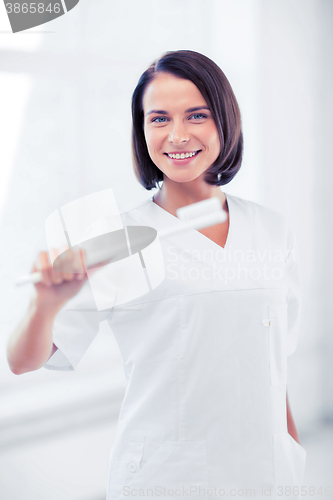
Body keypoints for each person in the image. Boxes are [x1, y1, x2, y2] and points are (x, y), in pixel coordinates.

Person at [7, 50, 306, 499]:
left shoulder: (270, 229)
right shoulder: (117, 238)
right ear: (142, 130)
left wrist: (292, 458)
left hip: (268, 478)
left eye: (197, 115)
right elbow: (23, 361)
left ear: (225, 120)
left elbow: (272, 368)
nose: (178, 135)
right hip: (165, 478)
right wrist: (43, 304)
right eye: (159, 119)